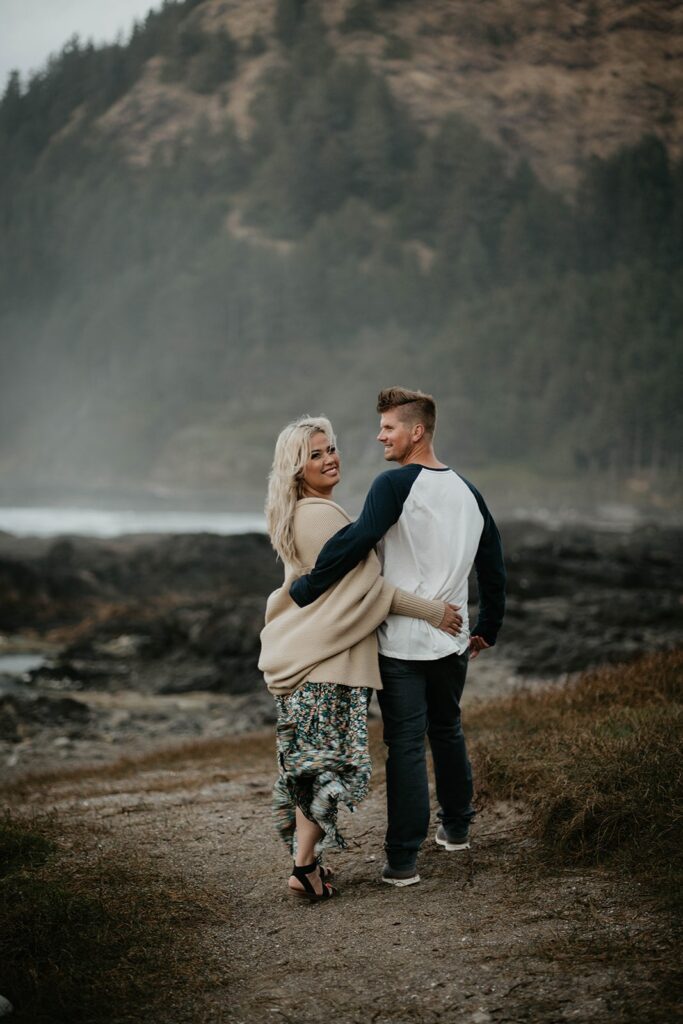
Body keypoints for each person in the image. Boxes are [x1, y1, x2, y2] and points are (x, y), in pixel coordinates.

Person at [290, 388, 506, 887]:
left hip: (404, 643)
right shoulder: (470, 493)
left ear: (417, 431)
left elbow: (359, 537)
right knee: (448, 729)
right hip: (453, 638)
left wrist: (308, 585)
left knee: (406, 743)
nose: (380, 435)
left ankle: (403, 860)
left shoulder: (394, 485)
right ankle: (456, 829)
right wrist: (488, 627)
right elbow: (492, 565)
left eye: (388, 427)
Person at [258, 415, 462, 902]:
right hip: (325, 663)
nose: (330, 458)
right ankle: (304, 867)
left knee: (310, 766)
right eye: (315, 454)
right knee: (322, 768)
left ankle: (307, 865)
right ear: (295, 468)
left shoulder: (303, 512)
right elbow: (370, 588)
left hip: (308, 658)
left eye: (331, 449)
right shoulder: (321, 516)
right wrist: (433, 611)